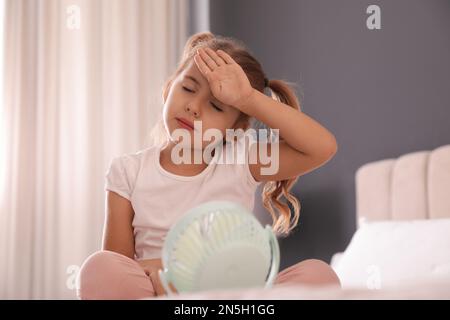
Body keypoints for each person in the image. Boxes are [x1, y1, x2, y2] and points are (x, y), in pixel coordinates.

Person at [76, 32, 341, 299]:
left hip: (232, 289)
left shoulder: (242, 158)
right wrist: (167, 277)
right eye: (188, 89)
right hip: (158, 290)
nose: (194, 107)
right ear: (169, 88)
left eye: (216, 106)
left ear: (234, 128)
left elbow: (322, 148)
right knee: (100, 268)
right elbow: (119, 267)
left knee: (320, 276)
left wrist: (248, 99)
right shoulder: (128, 171)